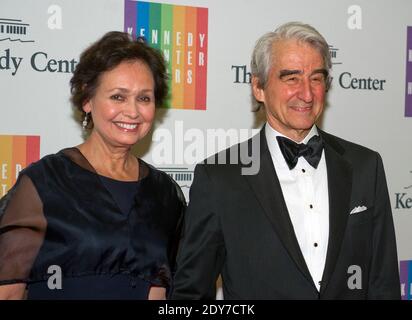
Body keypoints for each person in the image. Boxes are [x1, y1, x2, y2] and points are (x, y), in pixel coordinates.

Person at [171, 22, 400, 299]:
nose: (306, 93)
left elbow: (383, 283)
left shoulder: (366, 165)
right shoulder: (219, 177)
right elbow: (190, 293)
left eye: (316, 78)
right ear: (258, 87)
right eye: (291, 78)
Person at [0, 31, 185, 300]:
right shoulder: (45, 183)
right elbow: (7, 292)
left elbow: (164, 290)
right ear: (87, 100)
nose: (133, 112)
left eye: (144, 98)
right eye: (118, 97)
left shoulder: (165, 194)